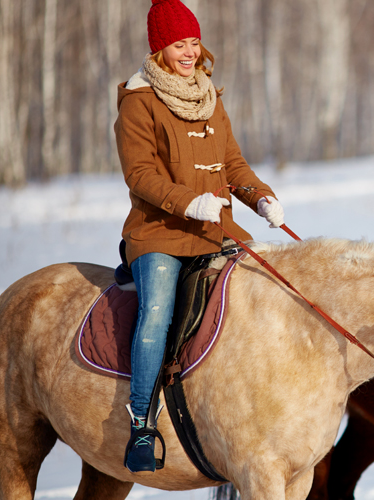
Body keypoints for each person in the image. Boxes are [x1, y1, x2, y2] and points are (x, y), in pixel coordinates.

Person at [115, 0, 285, 475]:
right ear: (159, 48)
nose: (188, 52)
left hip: (218, 229)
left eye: (193, 42)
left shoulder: (209, 95)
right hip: (160, 233)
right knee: (157, 313)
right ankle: (142, 424)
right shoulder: (138, 101)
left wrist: (261, 197)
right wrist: (187, 203)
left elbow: (231, 163)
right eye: (177, 44)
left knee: (269, 293)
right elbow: (140, 174)